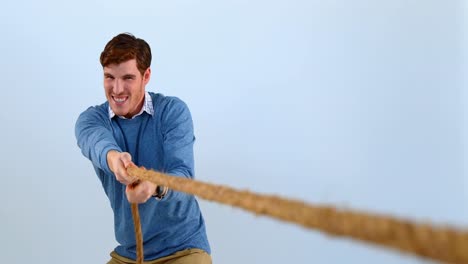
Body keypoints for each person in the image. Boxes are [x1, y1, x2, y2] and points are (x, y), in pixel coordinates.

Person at [75, 33, 211, 264]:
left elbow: (183, 177)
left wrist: (155, 185)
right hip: (129, 254)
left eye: (128, 77)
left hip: (184, 250)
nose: (117, 89)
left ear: (146, 76)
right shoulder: (91, 120)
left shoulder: (172, 112)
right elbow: (98, 144)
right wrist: (115, 160)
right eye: (109, 77)